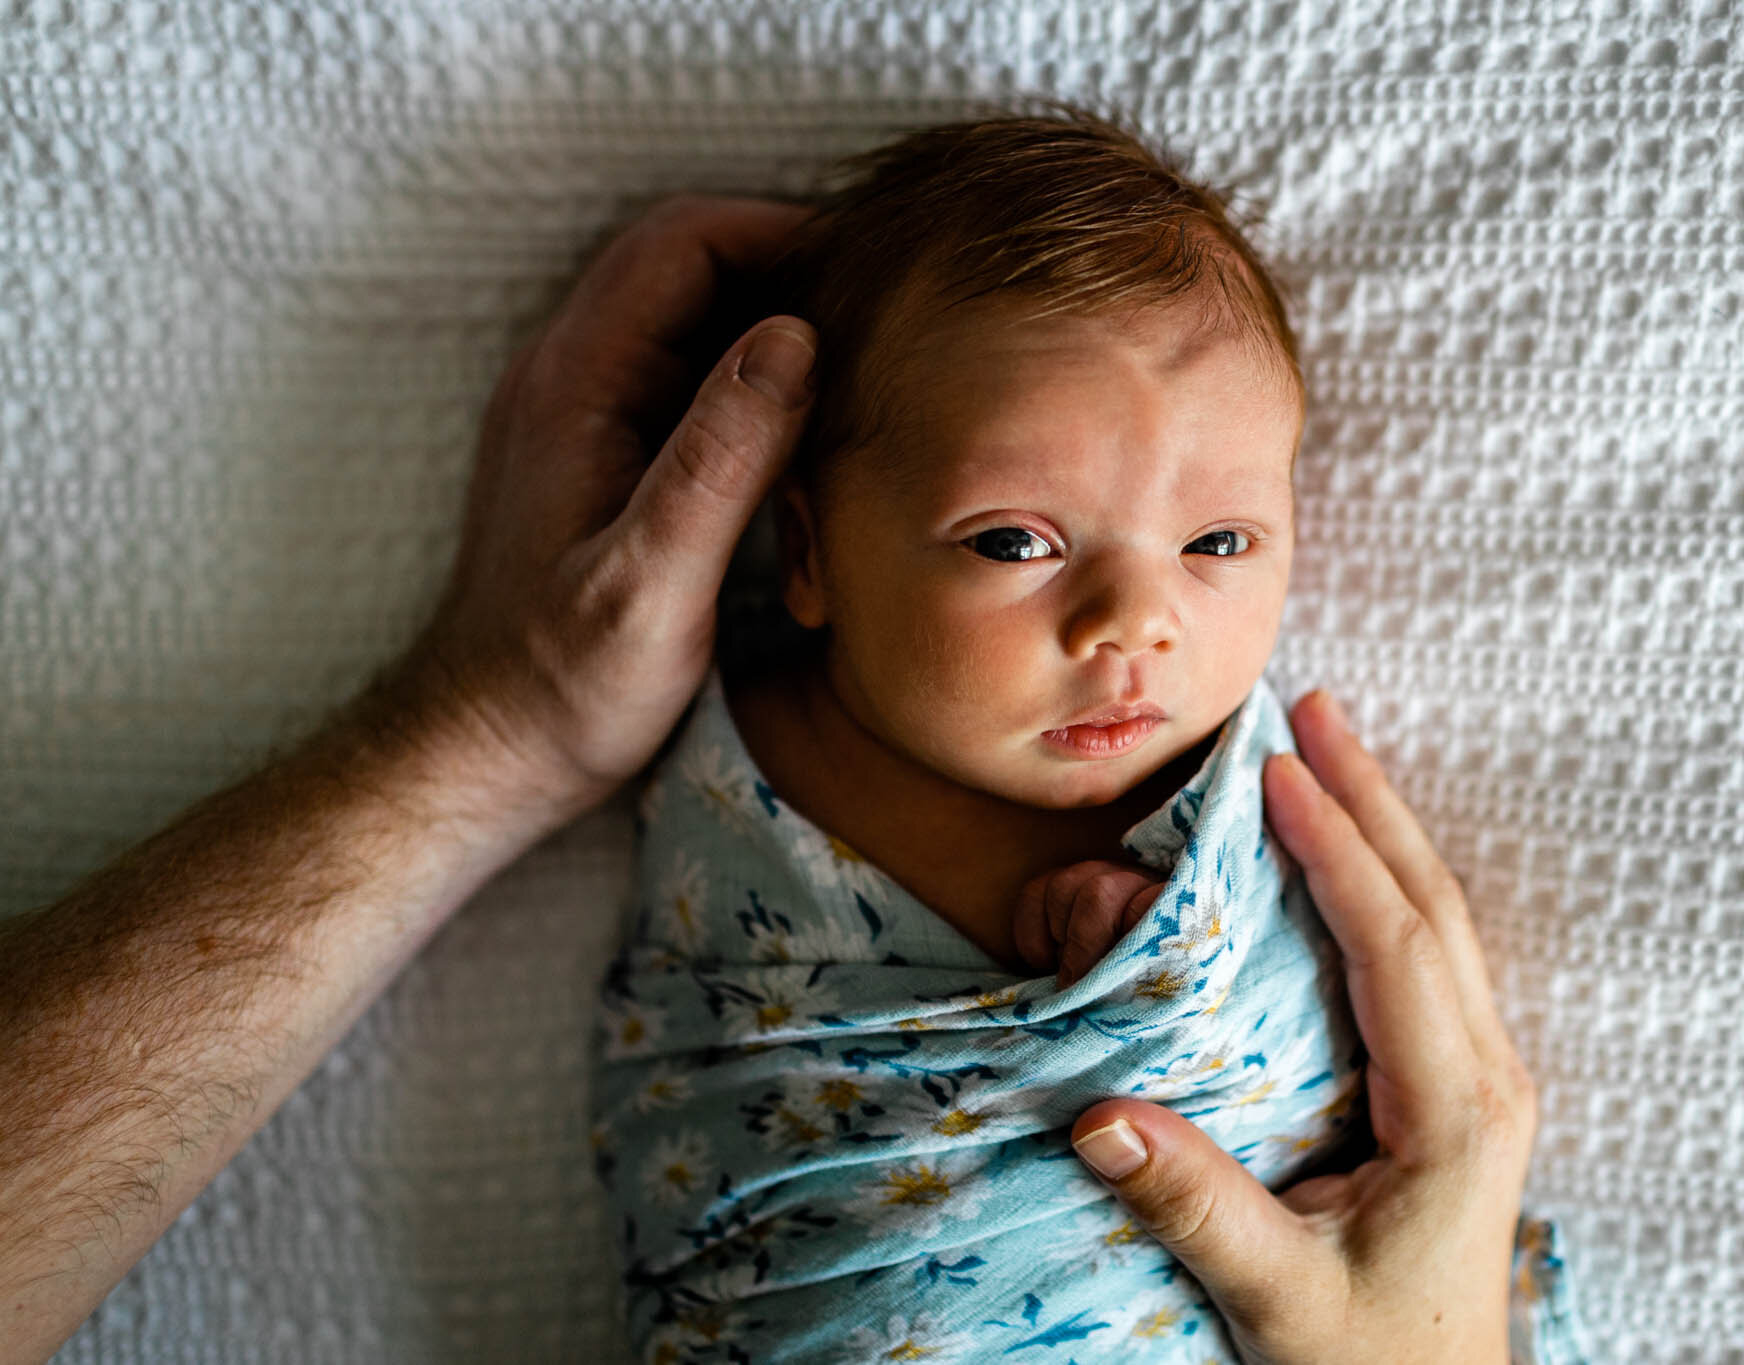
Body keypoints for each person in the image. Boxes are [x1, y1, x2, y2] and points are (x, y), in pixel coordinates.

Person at [0, 186, 1545, 1365]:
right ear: (804, 553)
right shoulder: (754, 751)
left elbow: (1305, 1053)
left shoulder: (1247, 780)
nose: (1139, 619)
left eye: (1220, 542)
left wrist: (1156, 970)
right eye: (1017, 539)